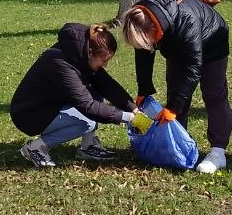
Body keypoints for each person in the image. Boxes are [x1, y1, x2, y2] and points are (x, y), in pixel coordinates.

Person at [11, 23, 153, 168]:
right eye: (104, 60)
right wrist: (129, 118)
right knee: (86, 123)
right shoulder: (61, 64)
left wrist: (133, 108)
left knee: (96, 89)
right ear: (90, 53)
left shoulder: (79, 54)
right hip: (29, 114)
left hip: (51, 105)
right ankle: (36, 148)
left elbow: (107, 85)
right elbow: (87, 106)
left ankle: (88, 146)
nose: (105, 65)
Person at [120, 0, 232, 174]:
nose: (145, 46)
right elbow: (143, 51)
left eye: (146, 41)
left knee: (214, 93)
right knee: (175, 91)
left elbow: (192, 67)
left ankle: (218, 152)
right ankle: (178, 143)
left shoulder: (186, 22)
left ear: (154, 29)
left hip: (212, 38)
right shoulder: (140, 17)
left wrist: (173, 107)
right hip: (177, 42)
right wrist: (144, 90)